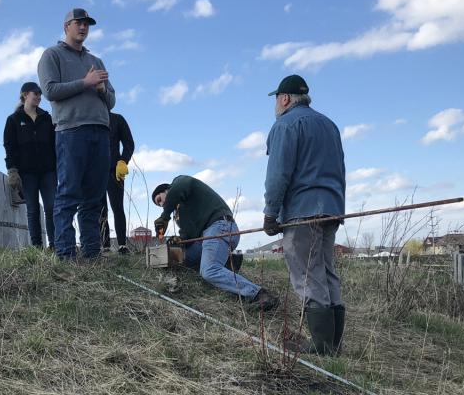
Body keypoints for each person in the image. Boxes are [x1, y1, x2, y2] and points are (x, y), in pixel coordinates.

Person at [262, 74, 346, 355]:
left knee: (308, 275)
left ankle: (322, 348)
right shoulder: (329, 125)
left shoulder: (285, 125)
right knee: (326, 271)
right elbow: (340, 169)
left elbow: (278, 174)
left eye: (276, 98)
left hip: (302, 212)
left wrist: (270, 213)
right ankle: (332, 346)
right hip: (331, 208)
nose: (275, 104)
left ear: (285, 99)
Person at [37, 8, 115, 260]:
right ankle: (66, 254)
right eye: (78, 23)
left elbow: (112, 101)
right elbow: (49, 91)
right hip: (71, 131)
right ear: (66, 26)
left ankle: (92, 254)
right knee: (69, 192)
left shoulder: (97, 61)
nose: (83, 27)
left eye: (86, 24)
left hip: (100, 131)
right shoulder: (52, 55)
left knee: (94, 197)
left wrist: (102, 89)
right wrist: (86, 83)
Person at [152, 176, 278, 310]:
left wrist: (164, 216)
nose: (161, 204)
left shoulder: (179, 182)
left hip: (220, 227)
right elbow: (188, 235)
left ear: (167, 190)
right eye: (158, 204)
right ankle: (228, 262)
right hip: (207, 237)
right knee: (179, 259)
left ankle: (259, 294)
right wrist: (177, 243)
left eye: (160, 199)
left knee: (208, 270)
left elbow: (180, 187)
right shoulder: (179, 214)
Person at [3, 81, 57, 248]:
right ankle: (37, 246)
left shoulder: (47, 118)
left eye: (40, 95)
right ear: (25, 95)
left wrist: (58, 166)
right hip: (27, 173)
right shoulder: (13, 120)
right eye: (36, 94)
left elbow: (54, 143)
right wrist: (12, 169)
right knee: (33, 210)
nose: (39, 98)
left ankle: (55, 245)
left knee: (51, 207)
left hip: (48, 171)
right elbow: (9, 146)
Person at [101, 112, 135, 254]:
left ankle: (122, 245)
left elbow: (129, 143)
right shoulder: (90, 118)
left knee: (118, 208)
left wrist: (123, 160)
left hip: (115, 170)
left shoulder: (117, 119)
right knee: (100, 210)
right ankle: (105, 245)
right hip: (94, 171)